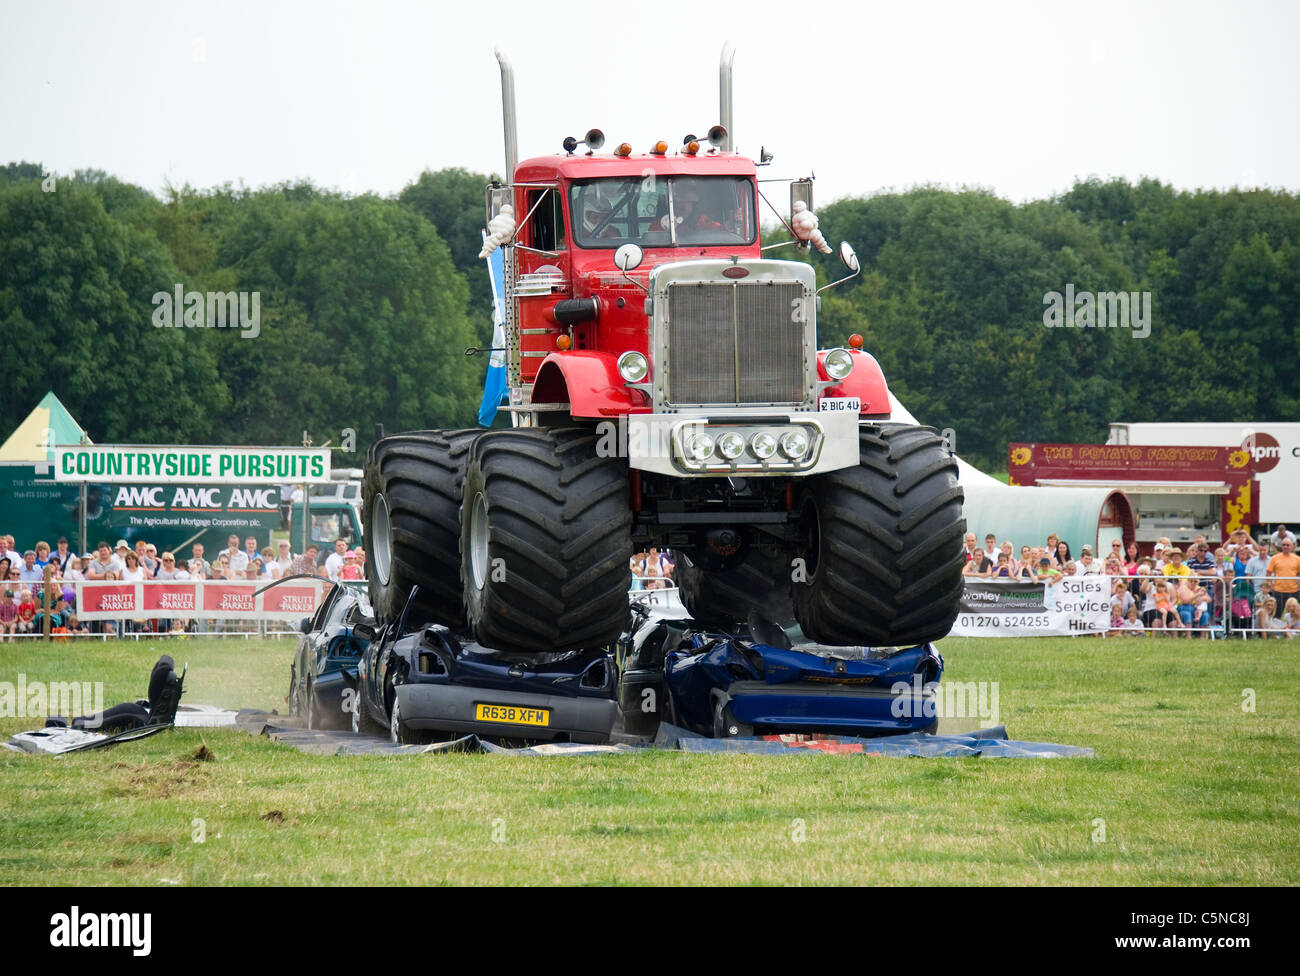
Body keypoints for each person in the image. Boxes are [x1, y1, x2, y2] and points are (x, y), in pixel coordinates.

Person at [1265, 537, 1299, 612]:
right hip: (1278, 591)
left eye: (1287, 545)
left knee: (1294, 614)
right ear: (1281, 546)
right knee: (1277, 615)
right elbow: (1268, 573)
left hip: (1293, 591)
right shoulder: (1274, 558)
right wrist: (1271, 585)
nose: (1285, 547)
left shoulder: (1297, 559)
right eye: (1284, 545)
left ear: (1292, 546)